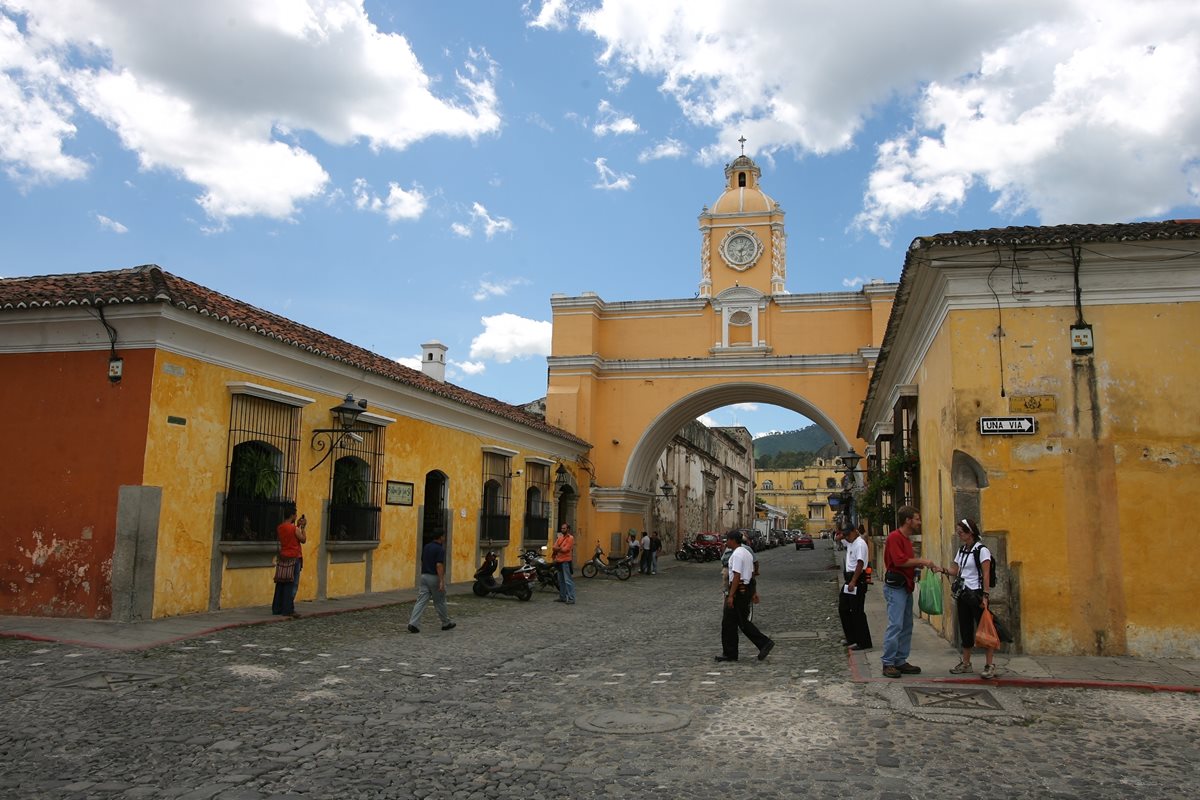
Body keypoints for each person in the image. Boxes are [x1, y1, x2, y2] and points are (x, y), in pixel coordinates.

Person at [881, 506, 937, 678]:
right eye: (917, 519)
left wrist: (917, 564)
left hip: (905, 585)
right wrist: (921, 561)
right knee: (896, 624)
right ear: (908, 520)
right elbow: (899, 561)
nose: (919, 522)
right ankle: (888, 662)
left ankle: (900, 660)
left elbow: (905, 561)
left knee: (906, 625)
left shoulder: (905, 539)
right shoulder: (894, 537)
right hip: (896, 587)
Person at [940, 518, 996, 679]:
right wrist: (942, 569)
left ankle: (989, 664)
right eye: (958, 532)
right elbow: (956, 571)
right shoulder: (962, 550)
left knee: (985, 628)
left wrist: (985, 595)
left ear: (970, 532)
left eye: (961, 532)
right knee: (965, 628)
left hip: (977, 593)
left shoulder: (981, 550)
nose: (959, 534)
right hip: (964, 594)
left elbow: (986, 573)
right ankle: (966, 663)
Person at [716, 531, 774, 662]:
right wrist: (753, 592)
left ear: (733, 540)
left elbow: (737, 575)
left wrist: (731, 596)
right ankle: (732, 652)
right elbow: (752, 573)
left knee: (732, 622)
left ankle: (763, 643)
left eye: (727, 540)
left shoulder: (737, 554)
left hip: (738, 590)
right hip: (746, 588)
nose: (726, 542)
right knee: (737, 622)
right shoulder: (746, 553)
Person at [408, 532, 455, 633]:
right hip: (434, 577)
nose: (444, 538)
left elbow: (422, 561)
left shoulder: (426, 547)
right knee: (440, 601)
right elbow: (439, 565)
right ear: (440, 537)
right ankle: (446, 623)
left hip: (424, 576)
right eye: (444, 536)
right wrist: (441, 580)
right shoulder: (440, 549)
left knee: (421, 601)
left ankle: (413, 623)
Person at [838, 524, 872, 651]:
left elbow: (860, 563)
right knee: (844, 608)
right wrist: (843, 534)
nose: (846, 537)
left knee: (857, 611)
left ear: (855, 531)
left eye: (848, 534)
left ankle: (863, 641)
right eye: (845, 535)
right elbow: (837, 538)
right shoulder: (850, 542)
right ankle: (851, 638)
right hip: (849, 579)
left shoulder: (860, 544)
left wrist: (853, 581)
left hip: (856, 579)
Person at [272, 504, 306, 618]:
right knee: (292, 584)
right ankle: (288, 608)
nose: (296, 516)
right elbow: (303, 539)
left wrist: (297, 526)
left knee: (281, 582)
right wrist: (303, 527)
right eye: (295, 515)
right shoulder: (294, 529)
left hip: (283, 557)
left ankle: (277, 607)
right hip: (294, 558)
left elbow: (288, 536)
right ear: (292, 515)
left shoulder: (280, 527)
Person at [552, 522, 576, 604]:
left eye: (564, 528)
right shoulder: (560, 538)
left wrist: (558, 548)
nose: (562, 529)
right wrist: (559, 548)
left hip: (566, 562)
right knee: (561, 581)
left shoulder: (571, 538)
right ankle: (562, 597)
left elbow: (566, 549)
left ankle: (571, 598)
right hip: (559, 561)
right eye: (562, 528)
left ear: (568, 529)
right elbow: (553, 547)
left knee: (568, 581)